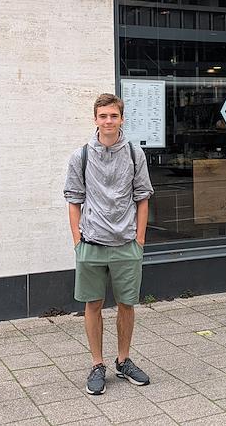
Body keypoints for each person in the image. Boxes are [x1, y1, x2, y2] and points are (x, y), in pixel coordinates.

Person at [63, 93, 154, 395]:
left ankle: (123, 360)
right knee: (93, 304)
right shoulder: (81, 156)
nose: (108, 121)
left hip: (126, 243)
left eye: (114, 116)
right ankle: (97, 364)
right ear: (95, 119)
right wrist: (78, 241)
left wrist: (139, 240)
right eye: (103, 116)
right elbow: (74, 199)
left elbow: (142, 197)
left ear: (122, 119)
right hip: (91, 243)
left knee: (126, 304)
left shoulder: (135, 155)